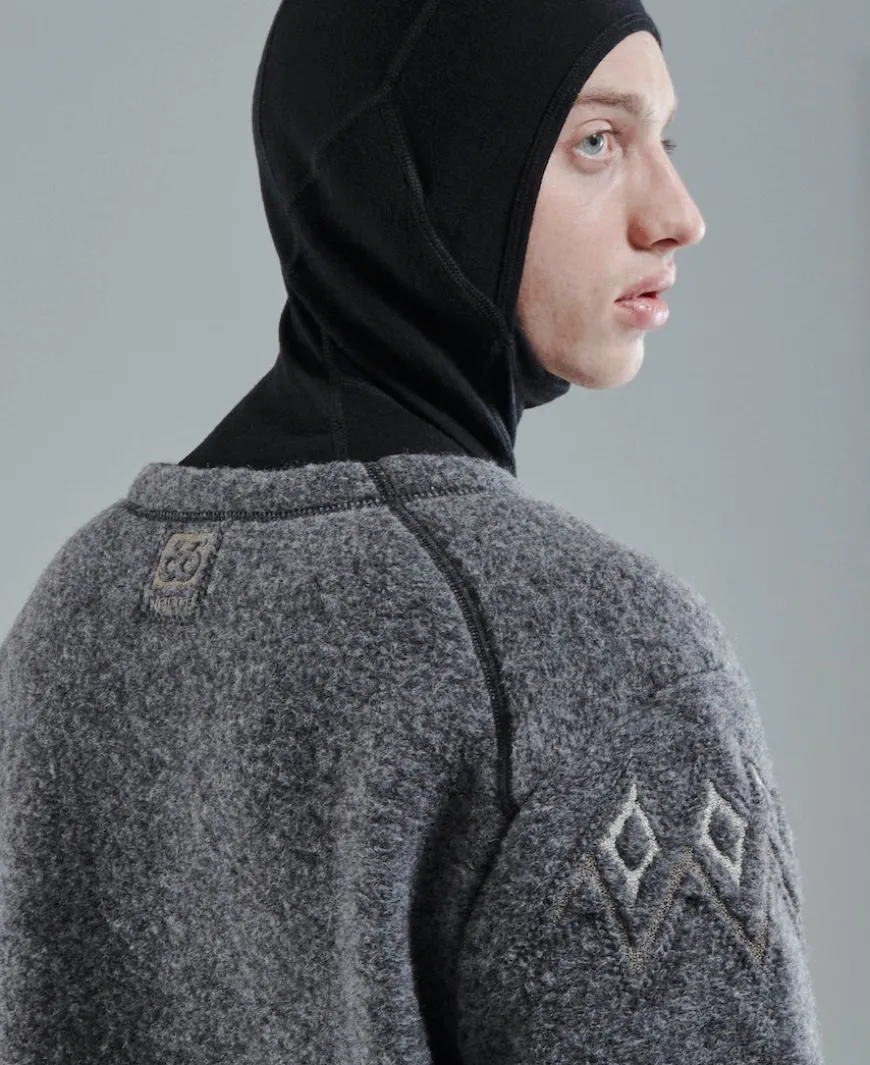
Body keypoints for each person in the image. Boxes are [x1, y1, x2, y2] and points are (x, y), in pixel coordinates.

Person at [0, 1, 825, 1062]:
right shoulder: (594, 649)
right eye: (596, 141)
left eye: (667, 139)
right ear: (430, 170)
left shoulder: (76, 610)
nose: (679, 214)